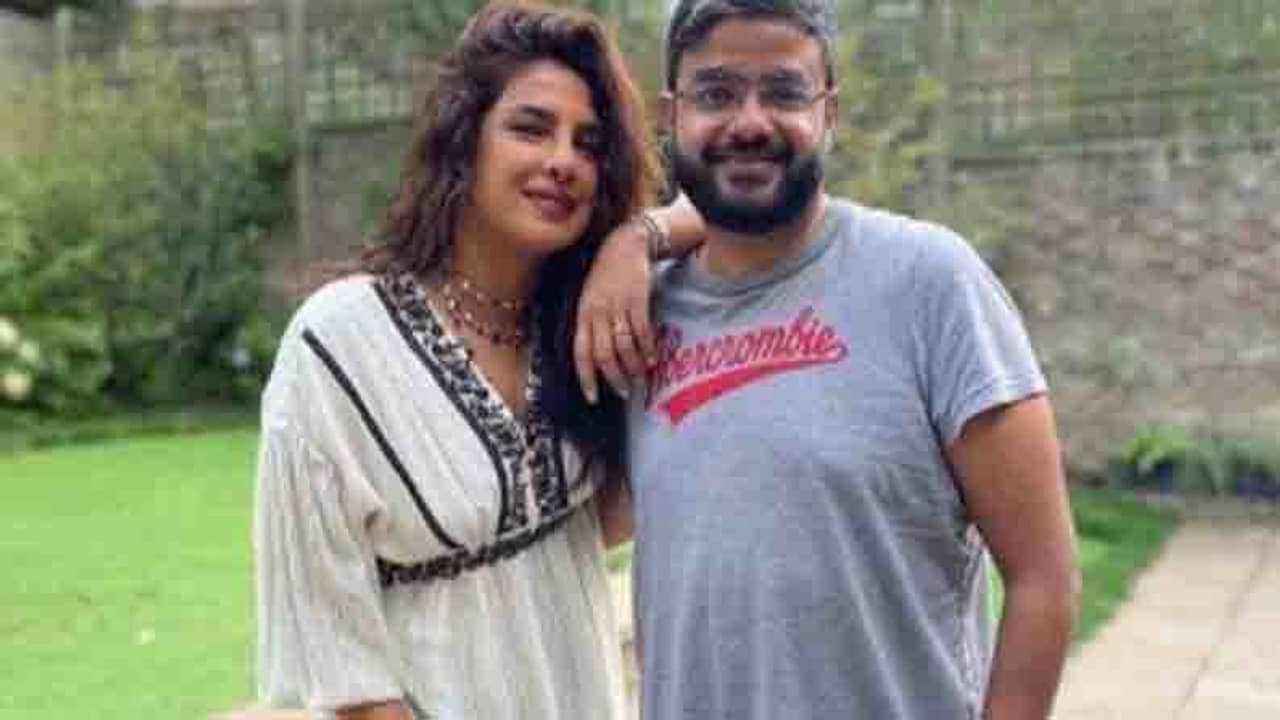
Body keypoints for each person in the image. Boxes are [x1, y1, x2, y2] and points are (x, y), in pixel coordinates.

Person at [573, 1, 1081, 718]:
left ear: (829, 111)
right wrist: (634, 238)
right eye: (716, 94)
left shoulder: (931, 283)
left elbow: (1044, 578)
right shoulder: (637, 317)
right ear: (671, 113)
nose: (750, 122)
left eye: (783, 92)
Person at [252, 4, 658, 718]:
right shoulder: (338, 345)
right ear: (465, 139)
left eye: (588, 143)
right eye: (531, 128)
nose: (563, 161)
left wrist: (640, 236)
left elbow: (760, 226)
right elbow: (343, 666)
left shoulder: (585, 322)